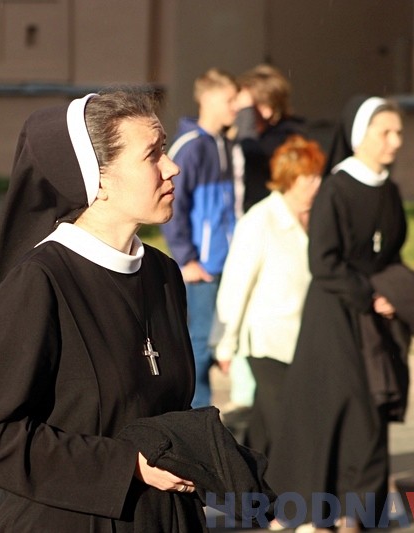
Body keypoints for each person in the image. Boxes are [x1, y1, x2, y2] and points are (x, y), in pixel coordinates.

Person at [0, 90, 213, 531]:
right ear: (99, 178)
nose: (172, 167)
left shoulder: (163, 273)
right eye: (152, 154)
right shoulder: (40, 282)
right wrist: (126, 464)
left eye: (165, 149)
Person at [267, 96, 412, 533]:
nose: (395, 141)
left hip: (372, 319)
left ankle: (359, 517)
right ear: (359, 135)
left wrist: (396, 293)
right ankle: (316, 514)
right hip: (333, 320)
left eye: (398, 132)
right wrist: (369, 295)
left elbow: (392, 252)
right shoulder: (336, 187)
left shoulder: (389, 189)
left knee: (370, 417)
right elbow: (324, 262)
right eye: (385, 132)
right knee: (338, 415)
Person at [211, 135, 324, 455]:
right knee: (288, 425)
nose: (314, 184)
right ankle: (291, 496)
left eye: (317, 175)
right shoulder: (259, 221)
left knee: (264, 426)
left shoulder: (318, 220)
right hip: (268, 343)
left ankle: (252, 489)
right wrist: (224, 343)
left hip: (305, 341)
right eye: (307, 177)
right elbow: (236, 285)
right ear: (289, 179)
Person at [160, 68, 239, 408]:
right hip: (202, 266)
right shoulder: (190, 146)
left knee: (212, 340)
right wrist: (187, 258)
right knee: (199, 343)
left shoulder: (222, 143)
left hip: (224, 260)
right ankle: (197, 418)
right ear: (207, 99)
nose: (236, 106)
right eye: (229, 100)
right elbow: (172, 203)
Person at [237, 64, 307, 213]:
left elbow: (249, 151)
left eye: (247, 108)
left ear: (266, 108)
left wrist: (245, 114)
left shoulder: (286, 138)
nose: (236, 110)